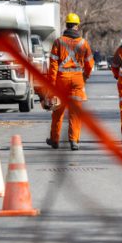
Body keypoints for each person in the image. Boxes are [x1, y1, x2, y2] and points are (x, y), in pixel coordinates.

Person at [46, 13, 94, 151]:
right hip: (77, 79)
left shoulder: (59, 41)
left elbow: (53, 65)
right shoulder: (84, 43)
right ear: (77, 26)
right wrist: (85, 76)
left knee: (57, 112)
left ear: (66, 25)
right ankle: (74, 141)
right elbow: (90, 63)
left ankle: (55, 140)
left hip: (62, 80)